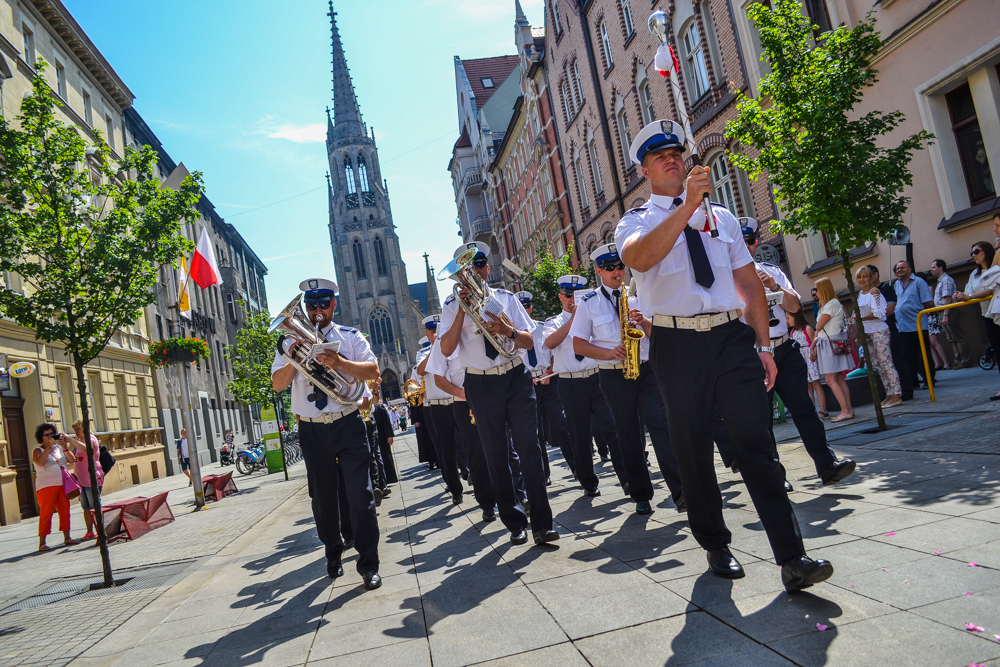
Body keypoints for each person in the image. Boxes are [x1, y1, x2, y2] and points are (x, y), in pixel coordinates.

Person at [616, 118, 833, 591]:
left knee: (755, 444)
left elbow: (749, 284)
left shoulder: (724, 218)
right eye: (659, 157)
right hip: (677, 344)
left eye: (676, 153)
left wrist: (762, 344)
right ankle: (715, 542)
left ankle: (792, 558)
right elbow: (640, 259)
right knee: (693, 451)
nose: (671, 160)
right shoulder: (636, 221)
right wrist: (686, 206)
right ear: (645, 171)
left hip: (731, 338)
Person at [439, 241, 559, 546]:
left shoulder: (505, 298)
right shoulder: (451, 308)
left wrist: (508, 331)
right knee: (496, 454)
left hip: (515, 377)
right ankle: (514, 521)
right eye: (468, 269)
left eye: (479, 264)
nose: (475, 272)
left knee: (529, 448)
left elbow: (531, 342)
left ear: (487, 268)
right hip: (480, 383)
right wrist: (462, 315)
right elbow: (447, 349)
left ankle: (543, 524)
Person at [271, 277, 382, 590]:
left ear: (334, 305)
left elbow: (372, 371)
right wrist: (294, 358)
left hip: (347, 422)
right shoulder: (289, 342)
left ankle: (368, 563)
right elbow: (278, 384)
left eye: (323, 304)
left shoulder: (349, 336)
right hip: (312, 429)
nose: (317, 310)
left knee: (360, 496)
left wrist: (339, 362)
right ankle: (333, 553)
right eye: (311, 305)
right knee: (322, 499)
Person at [726, 221, 855, 486]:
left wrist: (774, 287)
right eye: (741, 241)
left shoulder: (771, 271)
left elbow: (795, 306)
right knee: (761, 422)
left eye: (750, 241)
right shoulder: (725, 278)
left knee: (804, 409)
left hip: (784, 348)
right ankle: (774, 478)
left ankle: (827, 465)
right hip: (753, 354)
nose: (747, 247)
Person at [570, 243, 686, 514]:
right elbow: (578, 344)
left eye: (620, 266)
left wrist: (644, 323)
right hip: (613, 375)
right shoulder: (589, 303)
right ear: (599, 271)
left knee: (662, 426)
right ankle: (641, 493)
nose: (617, 272)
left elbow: (658, 335)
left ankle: (681, 491)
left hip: (645, 369)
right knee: (628, 434)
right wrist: (608, 352)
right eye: (610, 268)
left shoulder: (638, 297)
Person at [543, 274, 624, 498]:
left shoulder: (594, 315)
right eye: (568, 295)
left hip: (596, 378)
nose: (572, 300)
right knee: (579, 435)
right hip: (570, 383)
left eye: (576, 295)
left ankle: (627, 479)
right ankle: (589, 482)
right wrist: (573, 320)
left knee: (611, 428)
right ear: (561, 296)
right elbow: (549, 343)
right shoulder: (554, 322)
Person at [426, 324, 499, 523]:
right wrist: (460, 393)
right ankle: (487, 504)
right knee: (475, 454)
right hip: (462, 402)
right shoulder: (442, 343)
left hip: (489, 397)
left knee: (501, 447)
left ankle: (513, 494)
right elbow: (438, 379)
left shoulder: (477, 332)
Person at [517, 291, 575, 480]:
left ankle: (577, 467)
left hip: (548, 381)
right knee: (536, 433)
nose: (524, 311)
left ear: (531, 309)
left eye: (527, 307)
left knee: (562, 424)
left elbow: (553, 353)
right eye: (520, 308)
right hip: (527, 385)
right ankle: (543, 474)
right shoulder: (512, 335)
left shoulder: (543, 328)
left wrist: (549, 371)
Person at [417, 314, 464, 505]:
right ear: (427, 333)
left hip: (457, 401)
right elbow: (421, 370)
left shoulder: (455, 346)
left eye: (438, 329)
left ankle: (474, 477)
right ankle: (455, 489)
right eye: (432, 331)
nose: (435, 333)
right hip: (437, 407)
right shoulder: (423, 353)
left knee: (467, 444)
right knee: (446, 450)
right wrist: (436, 349)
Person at [955, 239, 1000, 400]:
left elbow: (993, 289)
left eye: (976, 251)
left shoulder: (996, 270)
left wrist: (969, 296)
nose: (973, 255)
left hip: (999, 313)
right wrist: (960, 296)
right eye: (971, 252)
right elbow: (968, 292)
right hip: (988, 316)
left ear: (986, 252)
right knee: (998, 350)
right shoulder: (975, 274)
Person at [855, 266, 902, 408]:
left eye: (865, 276)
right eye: (859, 277)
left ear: (871, 277)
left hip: (879, 330)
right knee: (878, 364)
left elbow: (880, 313)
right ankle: (888, 393)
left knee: (886, 362)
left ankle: (896, 394)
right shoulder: (860, 294)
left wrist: (861, 318)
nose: (862, 280)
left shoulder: (874, 292)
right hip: (867, 332)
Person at [810, 278, 855, 422]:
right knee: (839, 378)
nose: (815, 293)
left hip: (830, 344)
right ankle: (848, 409)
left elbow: (818, 326)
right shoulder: (830, 304)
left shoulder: (830, 304)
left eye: (817, 289)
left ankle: (845, 410)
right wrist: (813, 345)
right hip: (832, 342)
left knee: (830, 379)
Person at [868, 265, 914, 400]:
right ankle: (889, 392)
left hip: (889, 329)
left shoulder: (887, 289)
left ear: (875, 275)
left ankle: (906, 390)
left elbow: (889, 310)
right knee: (881, 363)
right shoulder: (867, 293)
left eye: (867, 275)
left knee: (896, 359)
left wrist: (871, 317)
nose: (865, 279)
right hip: (873, 331)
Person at [32, 424, 80, 551]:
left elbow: (71, 460)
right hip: (46, 486)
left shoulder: (59, 448)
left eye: (51, 434)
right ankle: (42, 542)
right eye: (46, 435)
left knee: (65, 511)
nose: (49, 437)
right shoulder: (38, 450)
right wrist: (48, 448)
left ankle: (67, 537)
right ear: (41, 437)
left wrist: (65, 448)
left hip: (63, 485)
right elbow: (40, 462)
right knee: (46, 513)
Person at [893, 260, 935, 389]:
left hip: (918, 324)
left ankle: (929, 380)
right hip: (903, 326)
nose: (900, 270)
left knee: (923, 354)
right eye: (898, 268)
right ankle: (914, 382)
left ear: (909, 269)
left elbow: (928, 303)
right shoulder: (897, 284)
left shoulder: (919, 282)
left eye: (902, 268)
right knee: (908, 355)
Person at [64, 419, 104, 540]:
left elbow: (86, 448)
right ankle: (90, 532)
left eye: (78, 429)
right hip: (80, 480)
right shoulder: (77, 441)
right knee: (86, 507)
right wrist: (64, 448)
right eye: (74, 429)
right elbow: (72, 457)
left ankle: (101, 530)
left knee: (94, 505)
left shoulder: (91, 439)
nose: (76, 432)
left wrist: (70, 439)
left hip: (92, 478)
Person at [786, 310, 827, 419]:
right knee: (807, 385)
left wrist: (814, 353)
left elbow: (814, 342)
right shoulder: (792, 332)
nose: (787, 321)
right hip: (800, 358)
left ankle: (823, 410)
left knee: (816, 384)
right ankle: (811, 409)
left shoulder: (806, 329)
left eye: (788, 318)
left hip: (809, 357)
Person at [931, 259, 971, 369]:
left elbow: (948, 299)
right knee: (951, 338)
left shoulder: (946, 280)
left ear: (940, 268)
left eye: (933, 267)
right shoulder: (940, 281)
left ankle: (965, 360)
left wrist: (945, 315)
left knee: (957, 336)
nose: (931, 270)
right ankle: (957, 360)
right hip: (942, 311)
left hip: (949, 311)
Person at [411, 337, 437, 471]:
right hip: (424, 406)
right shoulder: (416, 368)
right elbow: (412, 393)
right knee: (428, 437)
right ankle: (433, 460)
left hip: (438, 401)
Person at [371, 387, 398, 487]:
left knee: (385, 457)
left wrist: (389, 435)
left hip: (382, 436)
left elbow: (386, 422)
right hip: (373, 436)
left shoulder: (379, 406)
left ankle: (390, 478)